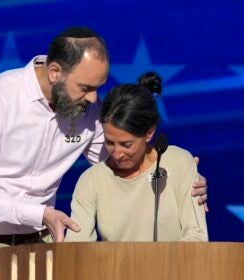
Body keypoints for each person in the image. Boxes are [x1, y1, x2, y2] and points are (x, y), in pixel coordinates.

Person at [0, 27, 208, 279]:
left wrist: (181, 177)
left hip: (39, 247)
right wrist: (40, 214)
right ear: (55, 72)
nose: (93, 99)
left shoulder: (88, 112)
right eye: (86, 88)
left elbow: (123, 164)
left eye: (98, 88)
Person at [66, 72, 208, 242]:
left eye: (126, 145)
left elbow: (197, 237)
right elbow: (76, 249)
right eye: (109, 142)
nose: (117, 154)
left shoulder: (178, 163)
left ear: (149, 133)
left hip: (173, 268)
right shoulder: (92, 180)